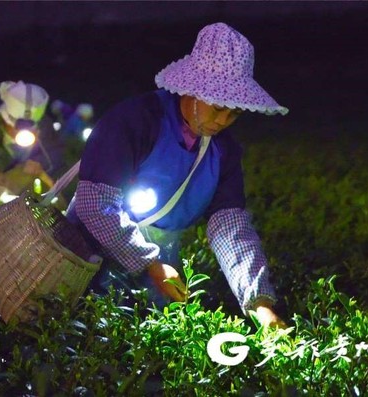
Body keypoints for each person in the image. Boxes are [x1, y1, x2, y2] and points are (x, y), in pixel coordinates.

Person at [65, 23, 289, 328]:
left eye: (234, 113)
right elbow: (94, 204)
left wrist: (260, 305)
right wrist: (149, 262)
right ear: (194, 90)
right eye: (218, 108)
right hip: (85, 257)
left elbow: (230, 228)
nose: (223, 121)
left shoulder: (223, 151)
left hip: (159, 265)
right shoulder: (135, 121)